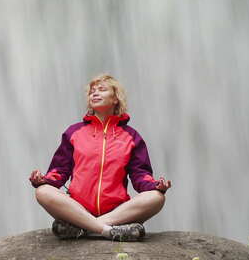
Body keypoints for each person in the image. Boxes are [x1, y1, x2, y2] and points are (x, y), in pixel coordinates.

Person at [29, 74, 172, 241]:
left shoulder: (131, 137)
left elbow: (140, 175)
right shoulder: (74, 132)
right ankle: (108, 230)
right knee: (42, 192)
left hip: (117, 212)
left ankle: (85, 227)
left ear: (115, 99)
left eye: (102, 90)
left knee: (157, 198)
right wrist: (42, 180)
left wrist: (156, 186)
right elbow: (60, 170)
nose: (94, 94)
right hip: (78, 208)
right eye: (92, 92)